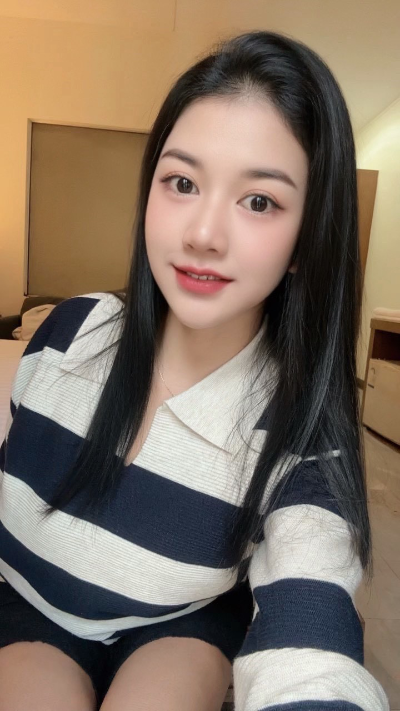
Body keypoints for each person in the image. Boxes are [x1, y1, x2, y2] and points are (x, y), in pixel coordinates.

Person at [0, 30, 388, 711]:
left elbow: (312, 636)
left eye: (259, 200)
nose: (203, 234)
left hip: (180, 623)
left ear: (307, 239)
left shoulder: (300, 428)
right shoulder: (66, 334)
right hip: (29, 602)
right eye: (181, 182)